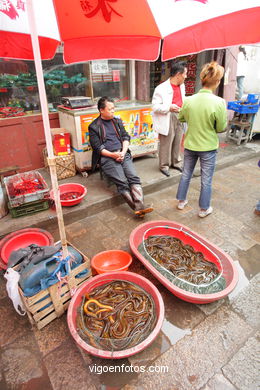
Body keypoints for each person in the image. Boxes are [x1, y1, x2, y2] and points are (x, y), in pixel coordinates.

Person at [176, 61, 227, 218]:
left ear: (202, 79)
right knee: (206, 179)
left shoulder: (189, 100)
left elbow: (181, 117)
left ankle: (181, 201)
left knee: (186, 174)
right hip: (208, 147)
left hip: (191, 144)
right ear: (217, 82)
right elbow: (221, 128)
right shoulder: (219, 102)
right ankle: (204, 209)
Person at [88, 96, 153, 217]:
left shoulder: (117, 121)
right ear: (101, 110)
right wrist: (113, 155)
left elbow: (126, 137)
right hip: (107, 157)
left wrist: (123, 152)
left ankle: (139, 206)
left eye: (114, 108)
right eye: (110, 109)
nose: (113, 111)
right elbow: (98, 147)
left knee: (133, 177)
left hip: (122, 154)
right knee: (122, 182)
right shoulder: (94, 126)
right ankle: (138, 208)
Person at [152, 61, 187, 177]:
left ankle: (176, 162)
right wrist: (169, 107)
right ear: (178, 74)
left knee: (178, 139)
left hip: (180, 114)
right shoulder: (161, 88)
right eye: (185, 74)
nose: (186, 77)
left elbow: (183, 99)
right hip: (168, 115)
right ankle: (164, 165)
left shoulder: (182, 86)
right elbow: (155, 106)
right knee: (166, 142)